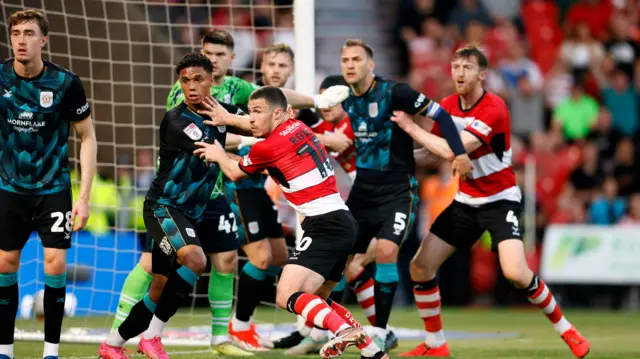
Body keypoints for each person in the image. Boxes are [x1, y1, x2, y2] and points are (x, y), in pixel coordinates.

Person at [390, 44, 590, 359]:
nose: (459, 72)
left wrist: (410, 127)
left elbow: (457, 150)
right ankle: (435, 344)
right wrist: (398, 159)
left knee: (516, 273)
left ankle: (567, 329)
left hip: (500, 200)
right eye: (455, 66)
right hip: (465, 202)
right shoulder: (446, 105)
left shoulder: (494, 108)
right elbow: (432, 153)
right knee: (420, 266)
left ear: (483, 74)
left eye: (467, 67)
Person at [194, 86, 387, 359]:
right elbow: (256, 130)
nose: (251, 119)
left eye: (257, 112)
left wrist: (218, 154)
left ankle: (344, 330)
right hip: (343, 221)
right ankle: (373, 352)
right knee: (317, 298)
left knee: (286, 295)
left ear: (276, 113)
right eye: (249, 113)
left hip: (324, 225)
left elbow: (234, 171)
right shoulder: (297, 127)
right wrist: (228, 119)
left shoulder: (268, 147)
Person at [98, 52, 241, 359]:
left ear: (211, 81)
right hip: (163, 209)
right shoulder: (177, 121)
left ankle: (111, 344)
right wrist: (260, 158)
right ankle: (152, 338)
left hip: (190, 212)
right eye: (185, 80)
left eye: (198, 79)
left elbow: (248, 127)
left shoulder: (222, 112)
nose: (191, 86)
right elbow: (220, 156)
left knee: (158, 290)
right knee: (196, 261)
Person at [339, 38, 472, 351]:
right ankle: (325, 327)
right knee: (342, 263)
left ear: (370, 65)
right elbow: (313, 105)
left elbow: (441, 115)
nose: (350, 65)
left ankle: (381, 331)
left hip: (397, 190)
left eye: (356, 59)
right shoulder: (343, 97)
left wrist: (459, 152)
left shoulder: (394, 92)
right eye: (345, 60)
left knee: (386, 251)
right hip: (361, 191)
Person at [0, 9, 97, 359]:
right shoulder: (0, 78)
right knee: (4, 265)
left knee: (55, 264)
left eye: (28, 33)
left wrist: (83, 197)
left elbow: (87, 137)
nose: (21, 40)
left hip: (53, 187)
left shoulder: (66, 83)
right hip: (9, 189)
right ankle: (5, 350)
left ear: (43, 39)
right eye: (15, 33)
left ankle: (51, 352)